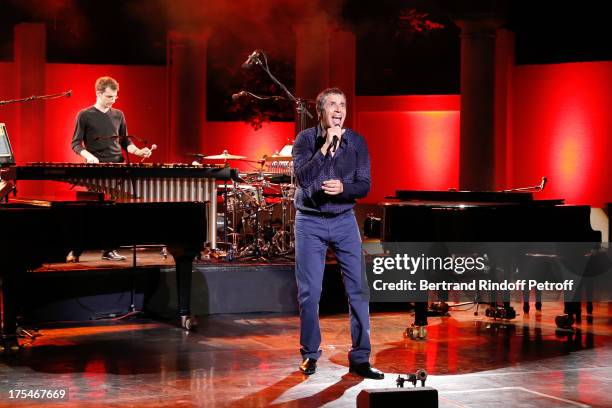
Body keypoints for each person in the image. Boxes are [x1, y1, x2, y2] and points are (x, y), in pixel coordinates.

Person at [292, 87, 383, 379]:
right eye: (332, 104)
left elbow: (365, 184)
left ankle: (361, 358)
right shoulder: (306, 140)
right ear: (320, 111)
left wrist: (345, 188)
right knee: (310, 292)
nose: (339, 109)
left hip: (344, 219)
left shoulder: (356, 142)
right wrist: (324, 149)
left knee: (359, 289)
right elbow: (303, 179)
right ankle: (309, 355)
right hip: (310, 221)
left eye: (342, 105)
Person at [68, 76, 153, 262]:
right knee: (93, 213)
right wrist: (88, 156)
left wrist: (138, 151)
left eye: (115, 96)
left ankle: (110, 249)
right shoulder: (84, 115)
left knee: (117, 213)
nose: (113, 100)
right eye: (109, 96)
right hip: (97, 170)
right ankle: (76, 250)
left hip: (118, 167)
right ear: (99, 94)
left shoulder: (118, 115)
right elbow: (75, 144)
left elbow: (125, 142)